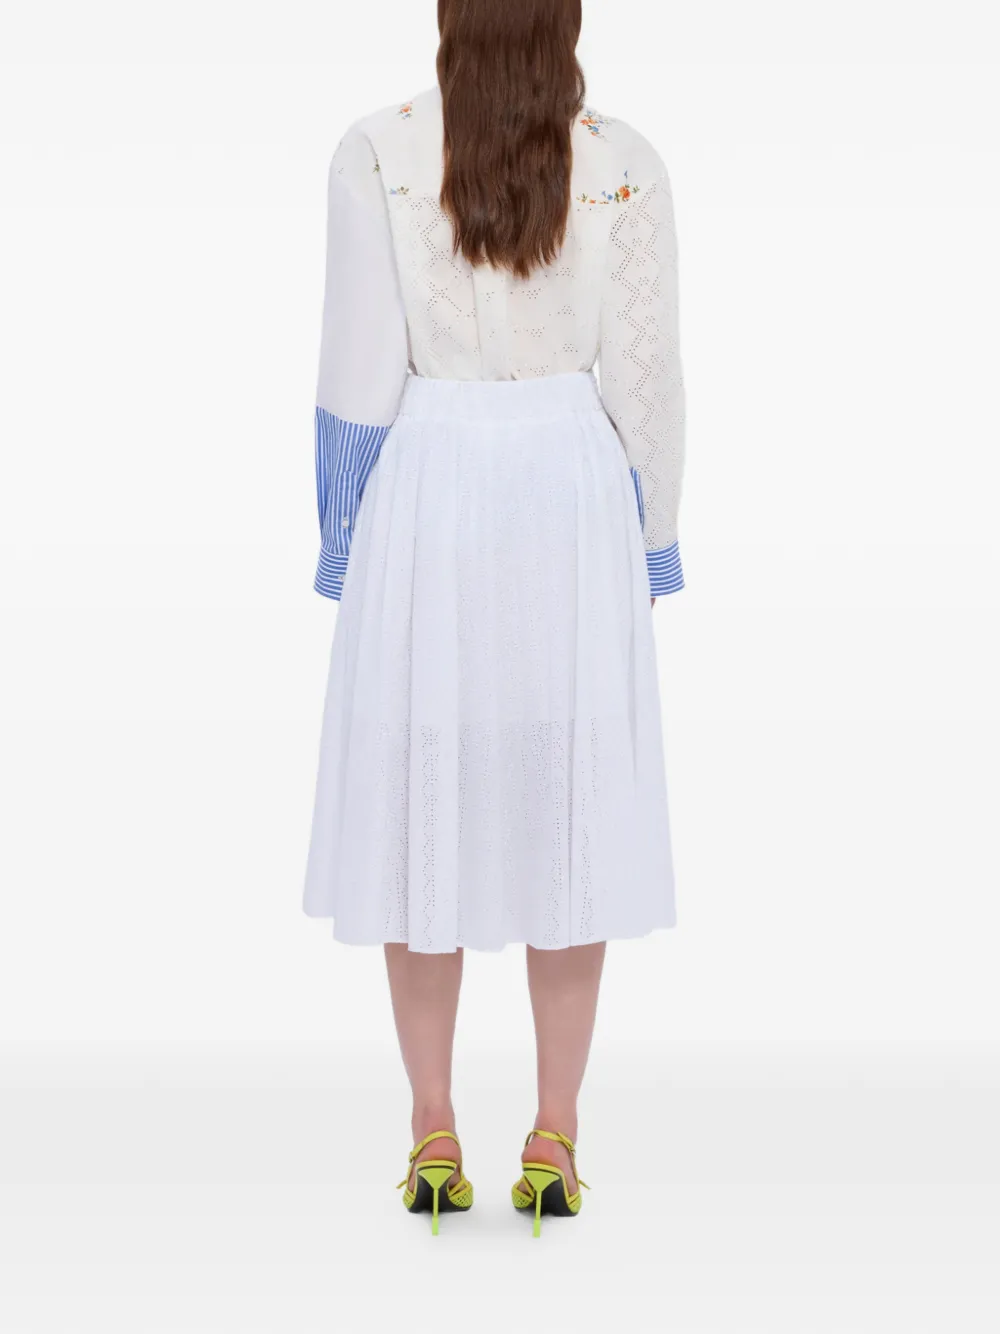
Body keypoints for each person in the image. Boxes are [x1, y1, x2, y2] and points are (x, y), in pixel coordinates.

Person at [303, 0, 685, 1238]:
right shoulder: (622, 161)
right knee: (565, 806)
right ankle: (554, 1130)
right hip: (569, 488)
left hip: (431, 479)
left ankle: (431, 1126)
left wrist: (344, 540)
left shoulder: (376, 149)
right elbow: (645, 375)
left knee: (425, 801)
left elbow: (358, 370)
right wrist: (654, 535)